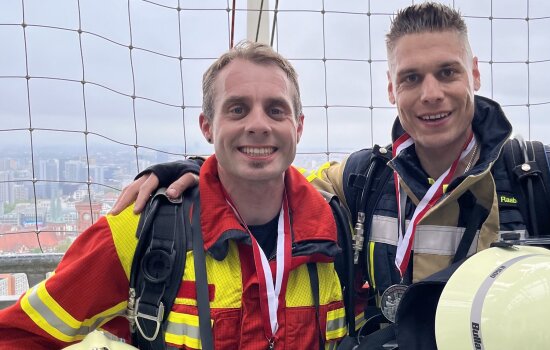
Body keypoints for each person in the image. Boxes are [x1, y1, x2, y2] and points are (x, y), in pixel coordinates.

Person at [112, 3, 550, 349]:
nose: (432, 93)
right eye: (412, 78)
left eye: (446, 71)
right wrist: (197, 169)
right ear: (391, 89)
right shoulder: (359, 182)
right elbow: (266, 187)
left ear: (472, 72)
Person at [0, 41, 349, 349]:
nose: (258, 124)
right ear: (207, 126)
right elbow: (18, 336)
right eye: (237, 109)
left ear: (298, 127)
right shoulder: (139, 232)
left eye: (276, 110)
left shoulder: (336, 233)